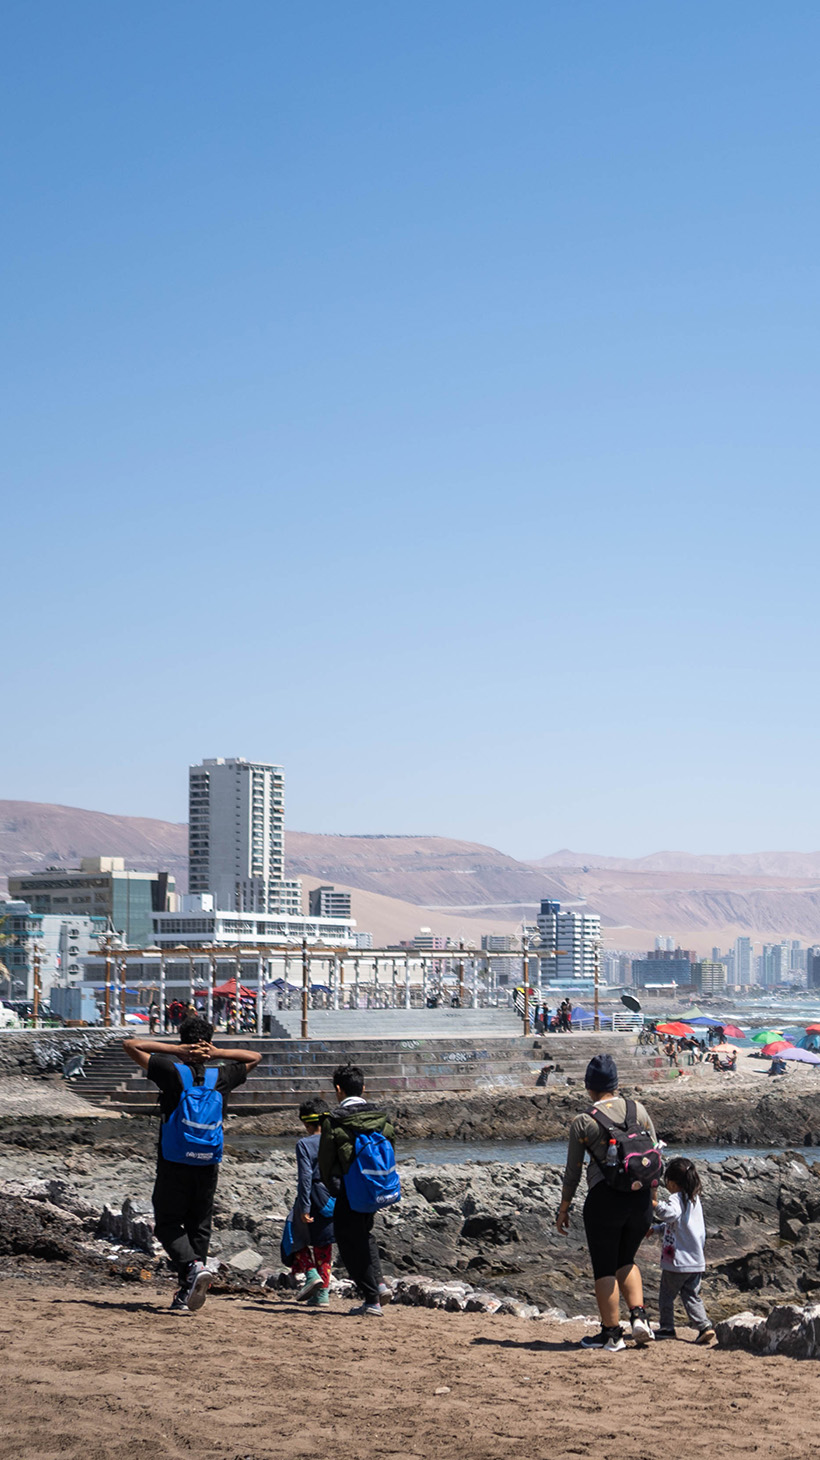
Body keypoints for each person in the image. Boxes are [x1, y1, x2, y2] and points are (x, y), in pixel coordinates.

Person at [123, 1016, 261, 1314]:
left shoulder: (171, 1071)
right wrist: (216, 1053)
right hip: (208, 1160)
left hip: (174, 1159)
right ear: (209, 1040)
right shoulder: (220, 1076)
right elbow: (255, 1057)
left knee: (167, 1223)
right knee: (200, 1224)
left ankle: (192, 1268)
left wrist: (177, 1049)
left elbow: (130, 1044)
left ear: (183, 1038)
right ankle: (188, 1288)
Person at [556, 1053, 656, 1352]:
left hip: (604, 1201)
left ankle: (612, 1335)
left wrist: (564, 1209)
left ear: (589, 1086)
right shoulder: (638, 1109)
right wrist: (652, 1202)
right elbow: (653, 1158)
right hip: (640, 1199)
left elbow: (573, 1171)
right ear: (616, 1083)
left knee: (604, 1268)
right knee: (626, 1259)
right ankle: (640, 1318)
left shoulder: (583, 1121)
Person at [318, 1062, 394, 1317]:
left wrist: (334, 1188)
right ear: (363, 1087)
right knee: (365, 1233)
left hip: (349, 1191)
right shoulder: (382, 1119)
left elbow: (326, 1162)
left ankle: (372, 1299)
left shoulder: (335, 1121)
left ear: (338, 1090)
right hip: (374, 1187)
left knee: (349, 1242)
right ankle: (380, 1284)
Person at [651, 1157, 716, 1344]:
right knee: (691, 1296)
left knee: (666, 1295)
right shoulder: (694, 1200)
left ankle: (666, 1328)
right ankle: (704, 1326)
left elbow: (670, 1214)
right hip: (696, 1261)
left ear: (671, 1182)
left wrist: (655, 1203)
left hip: (678, 1261)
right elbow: (676, 1224)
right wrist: (656, 1229)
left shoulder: (676, 1199)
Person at [287, 1098, 335, 1308]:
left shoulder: (304, 1144)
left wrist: (304, 1208)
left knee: (293, 1236)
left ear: (306, 1124)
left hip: (313, 1198)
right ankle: (322, 1295)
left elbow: (305, 1178)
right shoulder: (334, 1140)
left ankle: (311, 1273)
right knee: (324, 1246)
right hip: (333, 1198)